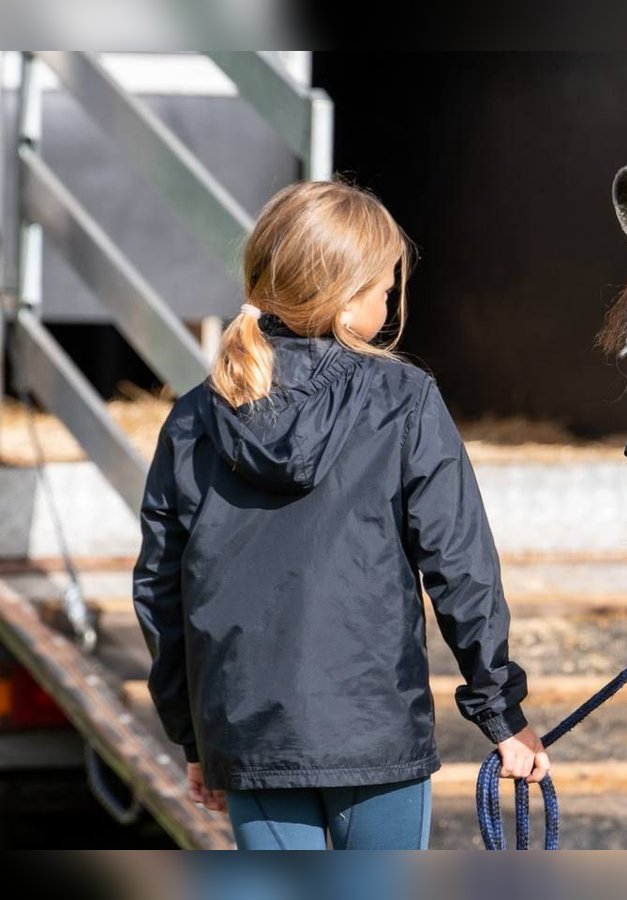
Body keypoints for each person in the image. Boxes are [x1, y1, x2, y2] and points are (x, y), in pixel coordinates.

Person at [132, 179, 549, 850]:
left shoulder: (194, 418)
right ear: (345, 294)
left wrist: (195, 735)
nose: (390, 301)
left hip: (249, 736)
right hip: (375, 732)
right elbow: (459, 565)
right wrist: (502, 713)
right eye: (385, 288)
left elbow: (160, 590)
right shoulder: (404, 399)